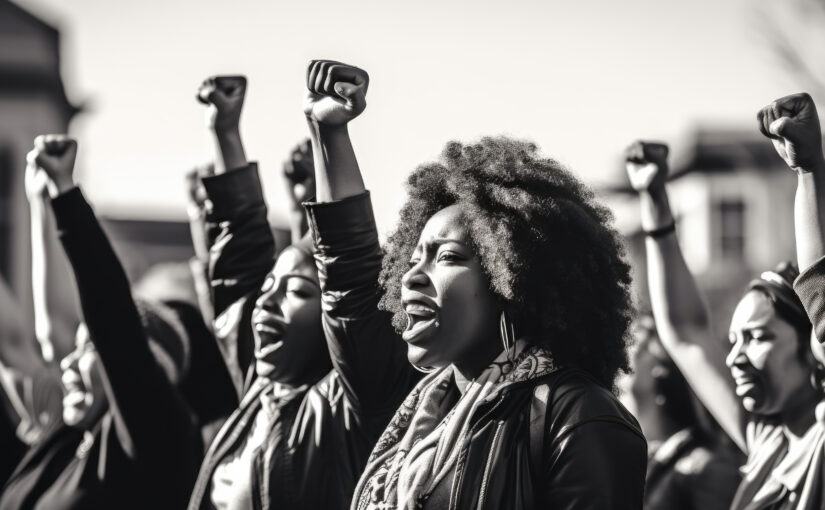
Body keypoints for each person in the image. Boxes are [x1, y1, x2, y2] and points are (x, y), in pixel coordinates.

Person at [301, 59, 647, 510]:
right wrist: (327, 134)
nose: (411, 276)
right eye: (410, 259)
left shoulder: (580, 417)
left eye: (447, 257)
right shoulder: (417, 406)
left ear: (514, 282)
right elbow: (348, 283)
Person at [187, 75, 418, 510]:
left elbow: (349, 279)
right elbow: (237, 269)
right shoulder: (261, 387)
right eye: (268, 287)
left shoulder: (349, 407)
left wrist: (327, 131)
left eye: (295, 289)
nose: (265, 301)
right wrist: (224, 133)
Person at [627, 129, 825, 509]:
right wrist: (654, 201)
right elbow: (687, 332)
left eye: (757, 337)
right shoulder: (765, 439)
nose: (734, 357)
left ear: (811, 343)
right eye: (733, 341)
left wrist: (808, 169)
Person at [0, 136, 201, 510]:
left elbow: (112, 323)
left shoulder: (161, 441)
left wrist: (66, 196)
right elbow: (26, 337)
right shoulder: (64, 435)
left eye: (90, 348)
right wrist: (41, 201)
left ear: (151, 366)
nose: (67, 361)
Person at [628, 315, 741, 510]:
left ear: (663, 371)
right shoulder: (639, 464)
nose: (626, 354)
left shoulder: (707, 468)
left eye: (638, 346)